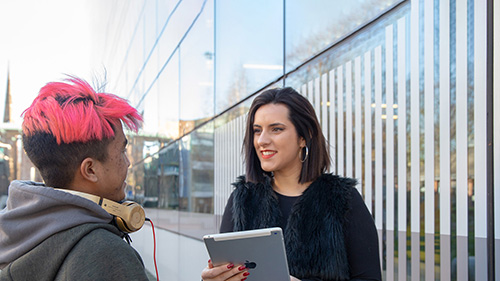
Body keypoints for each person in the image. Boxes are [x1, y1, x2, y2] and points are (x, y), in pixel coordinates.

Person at [201, 87, 381, 281]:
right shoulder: (243, 199)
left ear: (304, 137)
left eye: (276, 129)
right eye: (257, 131)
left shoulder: (342, 198)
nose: (262, 140)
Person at [0, 77, 149, 280]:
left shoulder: (16, 238)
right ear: (90, 170)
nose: (128, 162)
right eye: (122, 150)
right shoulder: (106, 255)